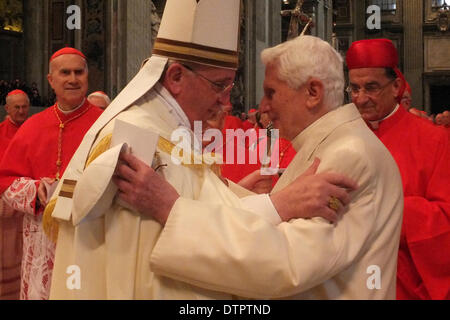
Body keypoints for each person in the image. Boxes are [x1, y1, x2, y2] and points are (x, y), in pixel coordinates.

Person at [45, 1, 356, 300]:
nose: (226, 101)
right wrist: (279, 205)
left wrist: (253, 198)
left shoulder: (164, 131)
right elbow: (167, 259)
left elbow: (192, 214)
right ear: (177, 77)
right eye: (219, 85)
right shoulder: (138, 144)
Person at [114, 35, 404, 300]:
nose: (263, 106)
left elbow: (286, 263)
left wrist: (171, 209)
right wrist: (242, 197)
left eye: (271, 92)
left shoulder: (348, 154)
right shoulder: (332, 144)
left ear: (313, 92)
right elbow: (288, 220)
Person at [346, 39, 450, 300]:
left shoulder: (435, 140)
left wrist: (387, 210)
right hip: (347, 278)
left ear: (396, 86)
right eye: (354, 88)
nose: (360, 99)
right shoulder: (342, 138)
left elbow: (445, 219)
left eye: (371, 88)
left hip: (403, 283)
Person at [0, 47, 103, 300]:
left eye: (79, 72)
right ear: (51, 80)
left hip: (89, 234)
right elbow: (6, 181)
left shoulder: (105, 123)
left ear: (87, 77)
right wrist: (35, 191)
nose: (72, 79)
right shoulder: (33, 126)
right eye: (65, 72)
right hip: (41, 239)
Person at [0, 89, 30, 299]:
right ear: (7, 108)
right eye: (16, 107)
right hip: (6, 211)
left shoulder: (34, 128)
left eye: (24, 107)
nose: (21, 111)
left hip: (29, 207)